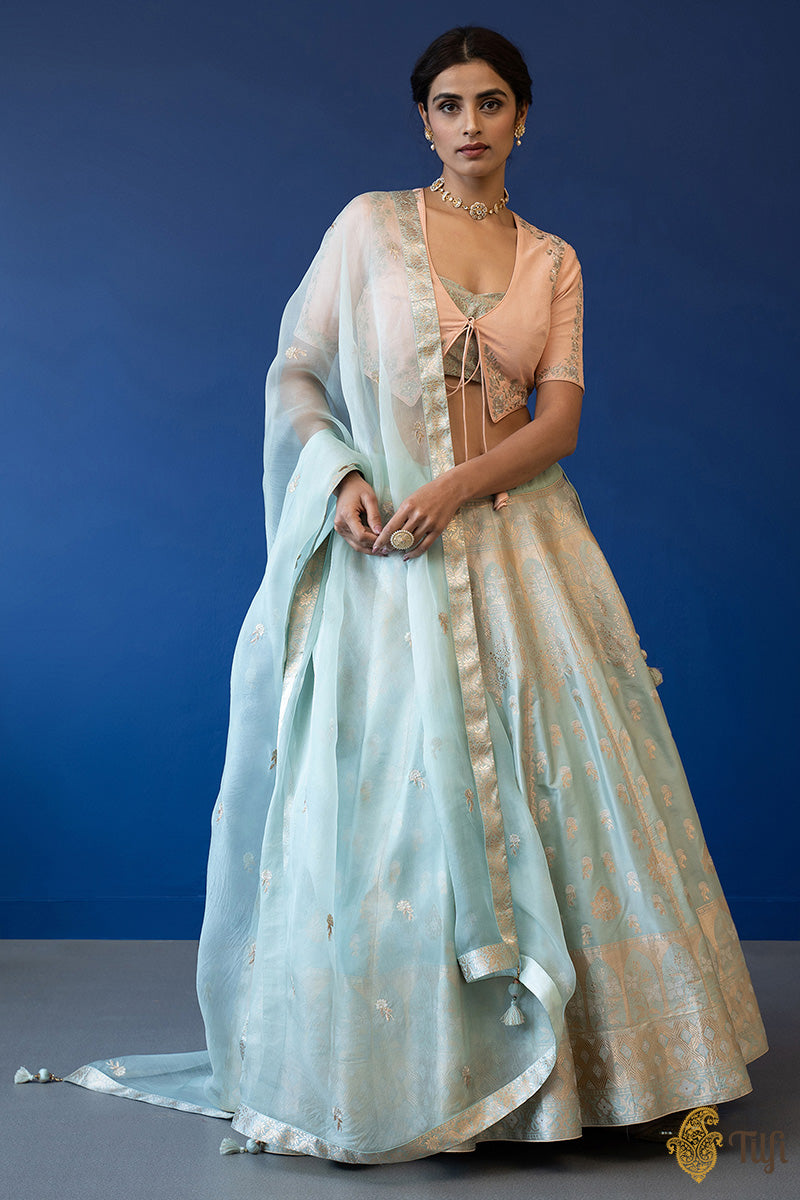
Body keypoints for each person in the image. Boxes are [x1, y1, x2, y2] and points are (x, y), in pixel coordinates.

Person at [17, 25, 767, 1162]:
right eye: (449, 104)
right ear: (422, 120)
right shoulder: (368, 227)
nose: (471, 124)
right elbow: (296, 367)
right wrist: (341, 475)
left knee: (559, 783)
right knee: (397, 806)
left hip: (521, 549)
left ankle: (592, 1074)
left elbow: (559, 421)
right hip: (388, 560)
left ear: (523, 118)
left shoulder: (552, 260)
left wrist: (457, 485)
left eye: (491, 102)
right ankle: (414, 1070)